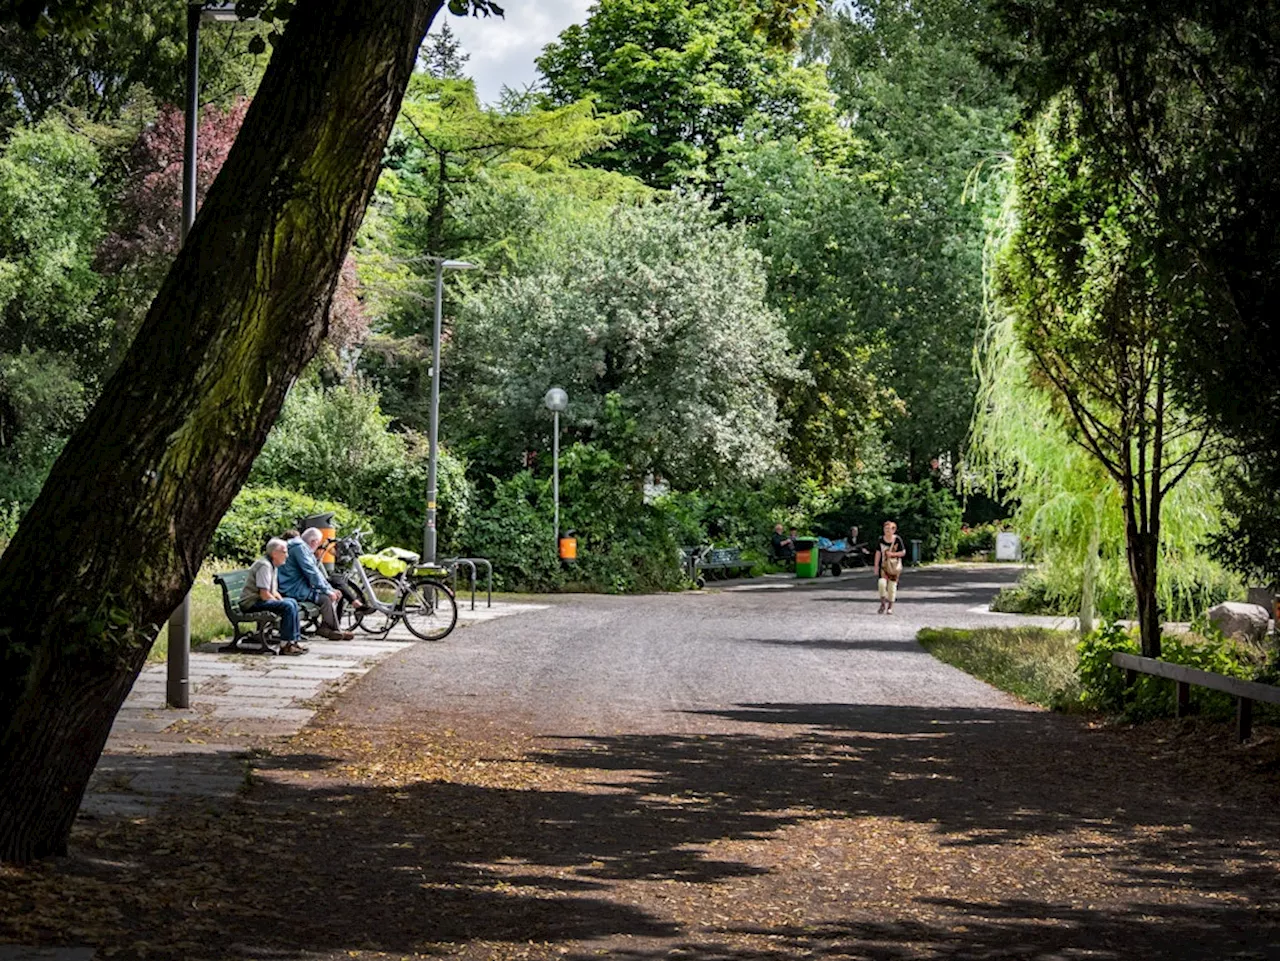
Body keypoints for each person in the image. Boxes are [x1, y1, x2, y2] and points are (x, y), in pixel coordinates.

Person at [279, 527, 355, 640]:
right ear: (314, 542)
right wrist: (327, 591)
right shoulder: (299, 548)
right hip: (291, 589)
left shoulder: (296, 546)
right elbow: (312, 572)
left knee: (334, 594)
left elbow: (315, 573)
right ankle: (330, 629)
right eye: (318, 544)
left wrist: (329, 589)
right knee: (326, 598)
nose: (318, 547)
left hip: (293, 586)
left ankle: (329, 628)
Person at [240, 538, 307, 655]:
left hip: (260, 600)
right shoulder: (264, 566)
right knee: (288, 606)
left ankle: (293, 641)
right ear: (275, 553)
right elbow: (264, 594)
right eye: (284, 552)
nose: (287, 555)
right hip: (251, 603)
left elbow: (274, 591)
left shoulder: (273, 565)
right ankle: (285, 645)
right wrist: (281, 605)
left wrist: (282, 601)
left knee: (292, 602)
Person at [873, 520, 907, 615]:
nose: (887, 531)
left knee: (892, 587)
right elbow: (878, 553)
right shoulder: (881, 540)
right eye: (885, 529)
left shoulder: (897, 540)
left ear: (894, 530)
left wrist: (892, 554)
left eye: (889, 529)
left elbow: (903, 552)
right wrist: (876, 566)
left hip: (894, 567)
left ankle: (890, 607)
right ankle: (883, 604)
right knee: (881, 584)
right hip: (883, 566)